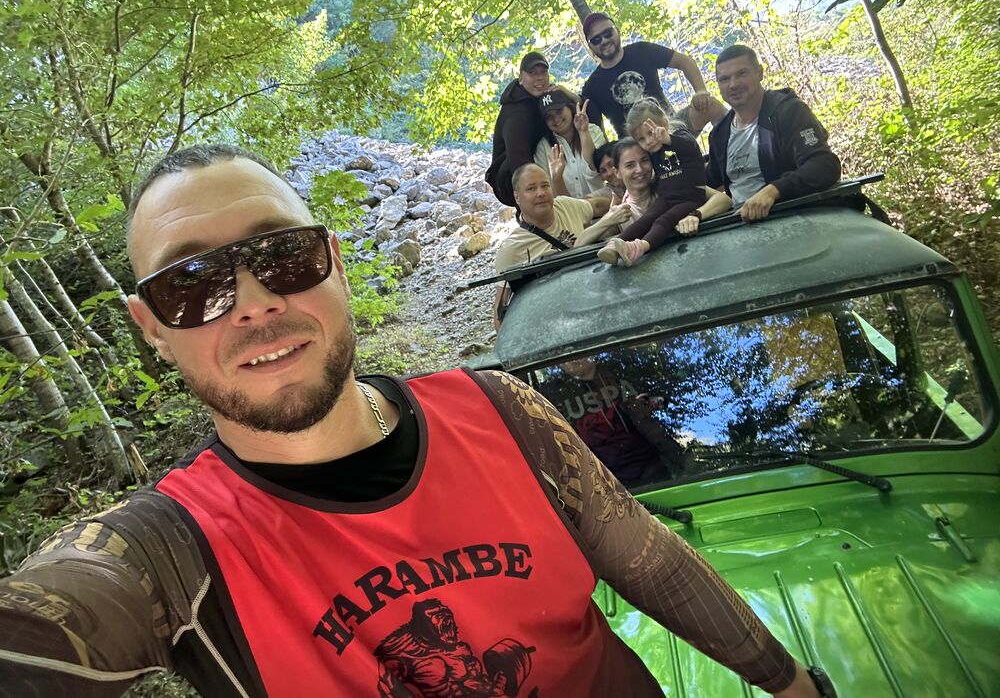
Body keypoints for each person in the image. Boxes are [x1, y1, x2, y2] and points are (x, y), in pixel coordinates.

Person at [0, 144, 827, 698]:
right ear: (151, 327)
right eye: (191, 284)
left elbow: (652, 563)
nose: (253, 303)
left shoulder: (501, 411)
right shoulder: (169, 552)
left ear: (335, 263)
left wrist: (791, 684)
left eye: (281, 255)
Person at [707, 44, 842, 222]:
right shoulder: (720, 134)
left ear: (760, 73)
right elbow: (707, 183)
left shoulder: (788, 112)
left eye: (742, 74)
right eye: (725, 79)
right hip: (737, 225)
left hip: (792, 216)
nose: (733, 84)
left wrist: (773, 191)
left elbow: (824, 165)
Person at [493, 163, 620, 327]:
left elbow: (595, 206)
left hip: (596, 298)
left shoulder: (565, 206)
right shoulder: (511, 250)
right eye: (531, 188)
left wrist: (624, 201)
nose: (541, 193)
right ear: (517, 197)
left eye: (545, 185)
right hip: (555, 320)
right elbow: (500, 310)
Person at [597, 99, 708, 267]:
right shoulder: (654, 152)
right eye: (641, 139)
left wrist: (668, 139)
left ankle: (639, 248)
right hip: (667, 198)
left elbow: (690, 148)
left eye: (651, 133)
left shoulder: (681, 137)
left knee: (663, 221)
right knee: (647, 218)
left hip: (690, 197)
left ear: (664, 123)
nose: (648, 141)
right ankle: (614, 246)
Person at [580, 12, 727, 137]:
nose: (604, 41)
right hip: (635, 146)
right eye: (596, 40)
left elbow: (685, 61)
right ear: (590, 46)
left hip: (671, 126)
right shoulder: (592, 87)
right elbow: (596, 131)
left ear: (617, 31)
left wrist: (701, 91)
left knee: (711, 106)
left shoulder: (642, 51)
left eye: (607, 33)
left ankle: (733, 150)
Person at [536, 357, 679, 485]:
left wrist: (682, 460)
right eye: (563, 354)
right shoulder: (552, 393)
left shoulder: (623, 369)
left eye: (575, 351)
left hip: (657, 474)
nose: (572, 359)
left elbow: (664, 404)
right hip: (601, 487)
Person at [485, 51, 552, 207]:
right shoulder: (517, 113)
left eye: (543, 72)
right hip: (509, 179)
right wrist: (533, 198)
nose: (539, 78)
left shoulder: (542, 98)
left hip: (533, 164)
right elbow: (519, 160)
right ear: (521, 78)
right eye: (533, 73)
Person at [533, 89, 607, 198]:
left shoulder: (592, 131)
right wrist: (557, 178)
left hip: (603, 202)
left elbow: (599, 171)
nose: (555, 119)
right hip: (566, 207)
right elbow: (548, 190)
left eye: (559, 111)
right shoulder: (543, 147)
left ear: (570, 108)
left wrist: (584, 132)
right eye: (549, 117)